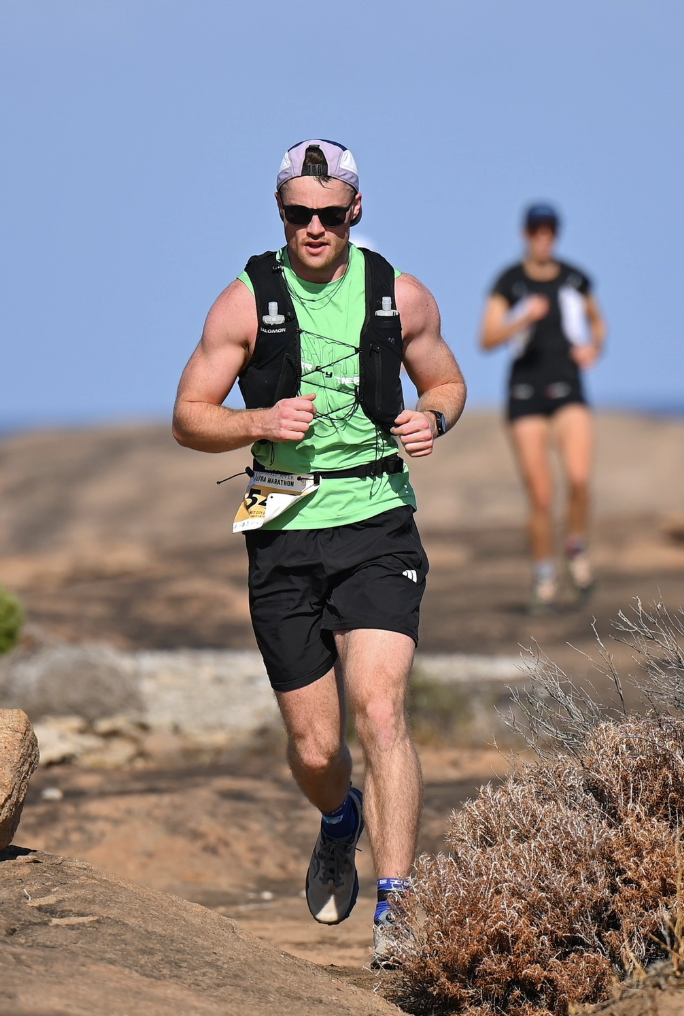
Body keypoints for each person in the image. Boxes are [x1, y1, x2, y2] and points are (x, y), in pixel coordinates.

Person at [172, 140, 466, 966]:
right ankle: (340, 820)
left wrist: (432, 418)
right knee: (314, 749)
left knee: (381, 711)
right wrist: (257, 422)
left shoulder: (398, 295)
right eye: (297, 214)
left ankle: (399, 910)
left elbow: (446, 380)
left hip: (377, 519)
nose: (312, 229)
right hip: (283, 524)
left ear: (355, 212)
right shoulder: (243, 302)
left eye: (328, 215)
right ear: (280, 214)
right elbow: (190, 415)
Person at [479, 204, 607, 614]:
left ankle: (576, 550)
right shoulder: (510, 282)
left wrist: (595, 347)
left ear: (557, 234)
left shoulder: (574, 279)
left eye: (549, 230)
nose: (543, 237)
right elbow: (487, 337)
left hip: (568, 387)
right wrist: (522, 318)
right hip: (525, 393)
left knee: (580, 479)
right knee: (540, 496)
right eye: (536, 230)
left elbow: (597, 322)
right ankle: (544, 576)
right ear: (525, 234)